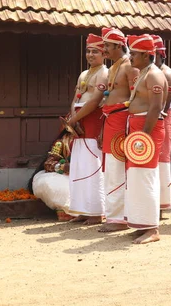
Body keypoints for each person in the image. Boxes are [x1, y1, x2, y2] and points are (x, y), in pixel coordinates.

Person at [124, 34, 167, 244]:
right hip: (138, 127)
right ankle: (140, 223)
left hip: (147, 128)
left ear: (144, 54)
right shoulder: (143, 73)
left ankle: (152, 228)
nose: (130, 57)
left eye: (133, 53)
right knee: (136, 178)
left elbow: (156, 107)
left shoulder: (154, 75)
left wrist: (145, 136)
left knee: (146, 176)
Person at [99, 28, 138, 233]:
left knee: (117, 168)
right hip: (110, 119)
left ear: (117, 46)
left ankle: (118, 218)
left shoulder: (130, 66)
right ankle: (114, 215)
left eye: (107, 46)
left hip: (122, 120)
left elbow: (136, 97)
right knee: (110, 169)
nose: (104, 49)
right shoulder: (114, 66)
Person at [66, 33, 108, 224]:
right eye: (88, 51)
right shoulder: (84, 74)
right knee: (79, 166)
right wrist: (71, 118)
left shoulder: (104, 73)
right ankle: (82, 209)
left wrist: (75, 118)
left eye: (95, 51)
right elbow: (76, 98)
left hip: (92, 121)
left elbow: (95, 101)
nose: (90, 55)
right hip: (78, 122)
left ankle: (96, 212)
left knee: (92, 166)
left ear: (103, 53)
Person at [152, 35, 171, 213]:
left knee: (161, 159)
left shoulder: (166, 73)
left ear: (160, 54)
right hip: (152, 117)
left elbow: (163, 106)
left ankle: (160, 204)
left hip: (162, 118)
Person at [30, 133, 74, 221]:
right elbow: (48, 163)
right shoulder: (62, 142)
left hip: (86, 175)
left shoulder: (93, 140)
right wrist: (63, 167)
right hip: (64, 175)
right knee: (56, 184)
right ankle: (67, 210)